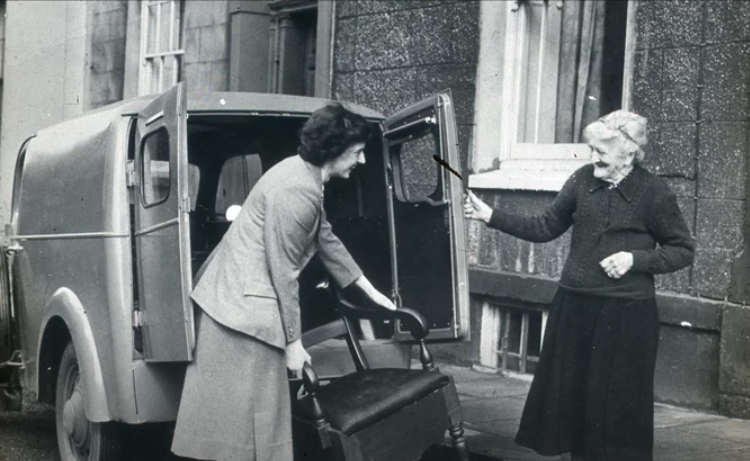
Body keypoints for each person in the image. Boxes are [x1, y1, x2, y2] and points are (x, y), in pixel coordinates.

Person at [464, 110, 694, 461]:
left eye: (601, 151)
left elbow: (682, 250)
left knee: (614, 412)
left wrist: (635, 259)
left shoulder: (653, 192)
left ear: (628, 152)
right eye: (591, 149)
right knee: (575, 407)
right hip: (574, 308)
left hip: (625, 315)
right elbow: (544, 226)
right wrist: (491, 216)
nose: (593, 158)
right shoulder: (582, 180)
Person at [171, 103, 396, 461]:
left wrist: (368, 290)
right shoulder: (297, 190)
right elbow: (285, 271)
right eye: (356, 152)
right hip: (242, 316)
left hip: (233, 306)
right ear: (333, 151)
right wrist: (293, 343)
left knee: (239, 433)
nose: (362, 160)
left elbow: (326, 238)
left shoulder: (302, 175)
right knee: (250, 433)